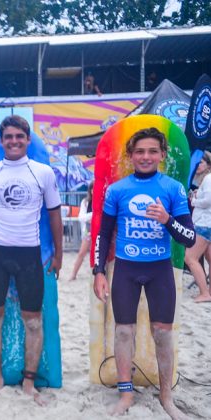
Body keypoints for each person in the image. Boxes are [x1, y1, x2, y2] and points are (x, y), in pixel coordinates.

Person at [92, 128, 195, 418]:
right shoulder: (118, 190)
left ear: (162, 155)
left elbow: (187, 238)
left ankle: (166, 397)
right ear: (131, 155)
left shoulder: (172, 188)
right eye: (140, 151)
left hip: (159, 269)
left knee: (162, 334)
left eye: (152, 151)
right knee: (124, 332)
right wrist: (99, 271)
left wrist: (167, 219)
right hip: (126, 268)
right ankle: (125, 394)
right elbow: (104, 233)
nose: (146, 156)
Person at [0, 115, 63, 405]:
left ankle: (29, 382)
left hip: (30, 255)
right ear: (1, 141)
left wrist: (58, 254)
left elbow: (55, 215)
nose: (14, 141)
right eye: (8, 137)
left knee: (33, 322)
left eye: (19, 136)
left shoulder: (43, 172)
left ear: (28, 139)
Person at [184, 151, 211, 303]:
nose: (197, 165)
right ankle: (209, 292)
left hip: (203, 223)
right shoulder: (206, 179)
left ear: (208, 164)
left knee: (190, 257)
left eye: (201, 162)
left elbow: (208, 201)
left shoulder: (208, 178)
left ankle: (204, 293)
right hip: (208, 222)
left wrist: (194, 200)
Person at [69, 181, 94, 280]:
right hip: (88, 231)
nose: (94, 191)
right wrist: (93, 214)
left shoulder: (103, 201)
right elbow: (81, 217)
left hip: (100, 232)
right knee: (82, 253)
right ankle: (73, 274)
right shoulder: (85, 202)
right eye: (92, 189)